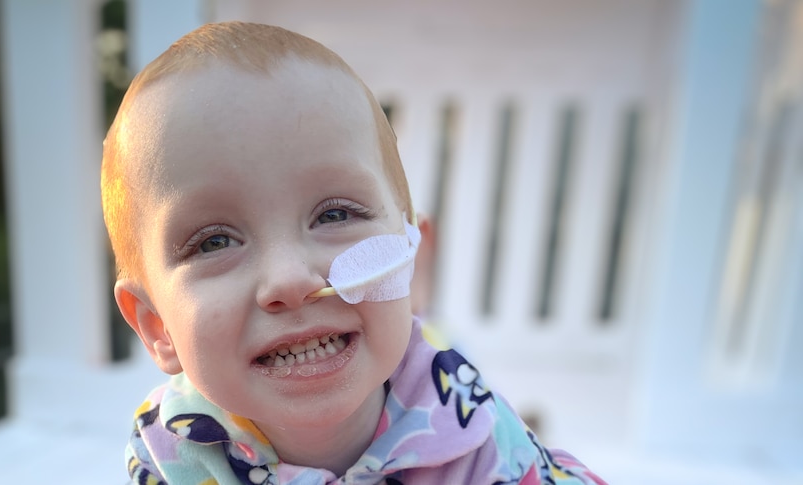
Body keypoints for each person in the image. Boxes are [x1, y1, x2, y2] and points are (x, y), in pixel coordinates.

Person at [101, 21, 607, 485]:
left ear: (412, 263)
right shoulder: (170, 452)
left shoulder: (473, 432)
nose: (290, 279)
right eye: (214, 242)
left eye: (335, 214)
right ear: (156, 327)